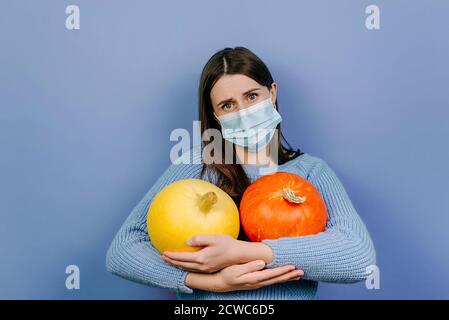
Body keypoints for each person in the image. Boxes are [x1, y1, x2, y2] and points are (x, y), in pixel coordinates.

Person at [105, 46, 376, 300]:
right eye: (228, 105)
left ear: (272, 93)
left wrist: (242, 253)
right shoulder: (196, 166)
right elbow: (122, 250)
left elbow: (359, 258)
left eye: (251, 96)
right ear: (215, 115)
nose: (243, 112)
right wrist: (211, 282)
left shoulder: (311, 172)